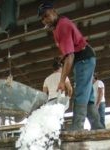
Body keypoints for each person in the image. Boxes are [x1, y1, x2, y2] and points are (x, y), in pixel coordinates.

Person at [38, 2, 104, 130]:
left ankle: (77, 128)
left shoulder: (62, 26)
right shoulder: (59, 25)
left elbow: (70, 56)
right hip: (85, 58)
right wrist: (64, 56)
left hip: (83, 59)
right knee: (87, 95)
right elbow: (69, 52)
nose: (45, 20)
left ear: (54, 12)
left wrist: (62, 81)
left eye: (46, 16)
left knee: (80, 92)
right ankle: (98, 126)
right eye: (42, 19)